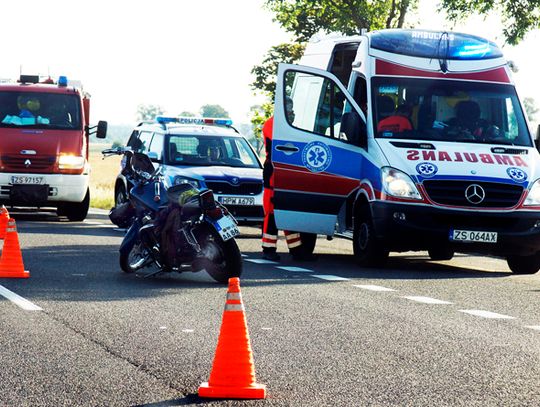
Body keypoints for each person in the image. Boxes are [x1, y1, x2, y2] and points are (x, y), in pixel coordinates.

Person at [261, 97, 315, 261]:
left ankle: (296, 250)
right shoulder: (272, 124)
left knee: (287, 208)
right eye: (288, 109)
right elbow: (283, 142)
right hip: (274, 170)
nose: (291, 112)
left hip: (285, 169)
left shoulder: (286, 124)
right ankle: (268, 249)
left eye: (291, 109)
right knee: (272, 211)